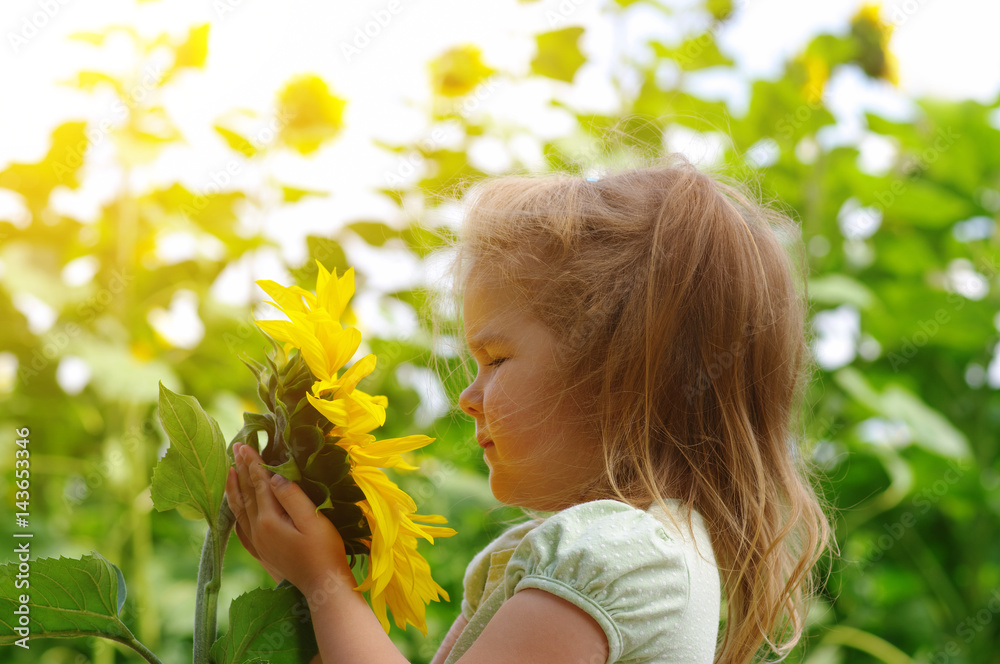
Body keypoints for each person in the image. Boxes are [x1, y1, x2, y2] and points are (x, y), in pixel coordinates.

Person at [225, 152, 835, 664]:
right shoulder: (590, 549)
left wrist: (327, 584)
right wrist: (304, 583)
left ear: (615, 373)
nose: (468, 397)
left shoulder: (619, 554)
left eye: (494, 359)